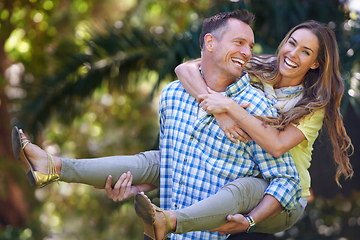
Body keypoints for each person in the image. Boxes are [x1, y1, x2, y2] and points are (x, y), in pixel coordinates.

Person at [11, 10, 352, 240]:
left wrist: (230, 107)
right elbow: (186, 70)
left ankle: (169, 221)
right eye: (292, 43)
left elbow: (277, 148)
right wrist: (217, 108)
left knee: (245, 186)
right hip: (242, 164)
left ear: (315, 63)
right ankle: (53, 167)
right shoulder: (256, 66)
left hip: (282, 195)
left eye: (306, 52)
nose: (293, 53)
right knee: (154, 162)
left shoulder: (311, 105)